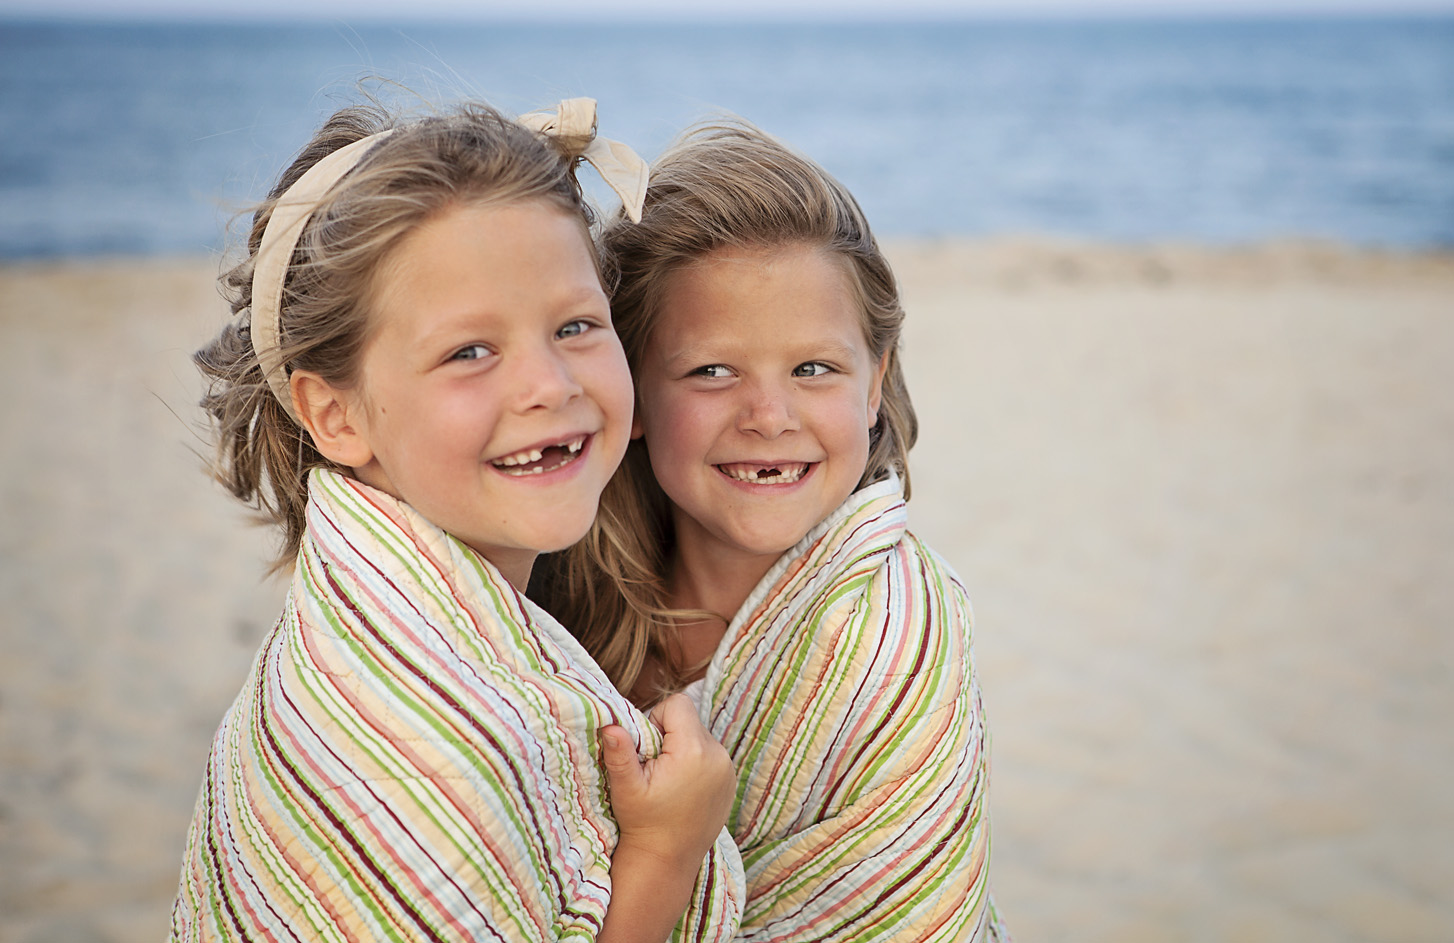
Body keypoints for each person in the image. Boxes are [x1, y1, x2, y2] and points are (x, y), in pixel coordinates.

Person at [172, 98, 744, 943]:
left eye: (576, 325)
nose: (548, 383)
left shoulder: (386, 630)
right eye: (470, 351)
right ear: (335, 415)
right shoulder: (424, 750)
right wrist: (665, 851)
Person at [532, 120, 1009, 941]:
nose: (769, 416)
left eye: (813, 369)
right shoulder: (550, 599)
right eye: (712, 371)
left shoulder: (890, 632)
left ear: (874, 384)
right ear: (633, 393)